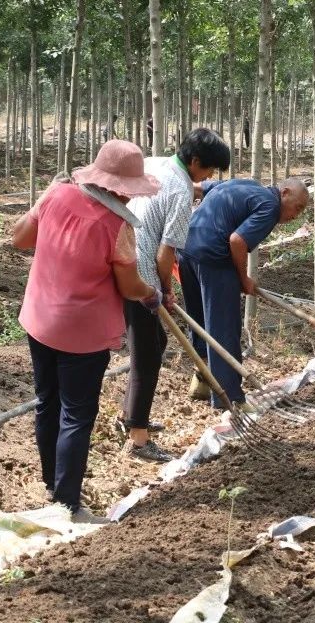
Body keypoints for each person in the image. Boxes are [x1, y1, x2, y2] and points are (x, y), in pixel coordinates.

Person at [12, 139, 162, 524]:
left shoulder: (57, 196)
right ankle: (68, 505)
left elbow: (20, 239)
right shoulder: (116, 226)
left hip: (39, 320)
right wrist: (151, 294)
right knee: (76, 415)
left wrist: (46, 196)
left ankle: (53, 483)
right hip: (82, 333)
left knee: (48, 402)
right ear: (121, 189)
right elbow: (129, 287)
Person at [121, 128, 231, 462]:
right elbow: (164, 256)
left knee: (156, 342)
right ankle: (137, 441)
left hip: (124, 256)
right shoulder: (181, 191)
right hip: (139, 271)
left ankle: (132, 417)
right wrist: (167, 290)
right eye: (209, 170)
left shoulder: (156, 164)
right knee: (147, 352)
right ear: (195, 161)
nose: (209, 177)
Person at [179, 176, 309, 408]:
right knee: (224, 327)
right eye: (297, 208)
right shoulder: (270, 206)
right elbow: (237, 240)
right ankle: (230, 399)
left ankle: (202, 382)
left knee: (200, 322)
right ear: (285, 193)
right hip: (213, 256)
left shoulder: (245, 185)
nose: (295, 216)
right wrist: (242, 278)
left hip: (186, 249)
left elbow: (200, 187)